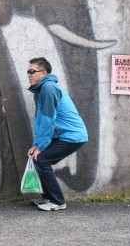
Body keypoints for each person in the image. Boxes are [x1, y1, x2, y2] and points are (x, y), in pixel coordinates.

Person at [26, 57, 88, 211]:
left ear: (44, 73)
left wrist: (42, 147)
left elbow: (48, 120)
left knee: (42, 160)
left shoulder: (48, 88)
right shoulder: (40, 90)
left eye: (32, 71)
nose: (29, 74)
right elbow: (40, 120)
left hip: (72, 136)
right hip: (63, 135)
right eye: (28, 72)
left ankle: (57, 201)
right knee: (38, 158)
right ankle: (48, 198)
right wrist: (37, 145)